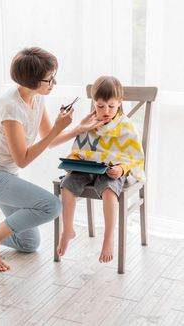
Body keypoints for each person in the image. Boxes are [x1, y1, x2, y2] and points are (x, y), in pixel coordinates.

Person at [0, 47, 102, 272]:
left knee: (28, 243)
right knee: (52, 205)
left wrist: (77, 128)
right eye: (49, 79)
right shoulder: (10, 107)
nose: (54, 83)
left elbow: (49, 140)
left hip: (5, 174)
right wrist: (56, 129)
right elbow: (23, 159)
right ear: (32, 81)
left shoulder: (36, 98)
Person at [57, 76, 145, 263]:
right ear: (94, 103)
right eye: (100, 106)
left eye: (111, 106)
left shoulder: (125, 126)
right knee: (67, 185)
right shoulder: (90, 122)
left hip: (111, 170)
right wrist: (73, 163)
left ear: (119, 104)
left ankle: (108, 238)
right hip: (87, 167)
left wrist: (121, 169)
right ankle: (67, 229)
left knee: (109, 190)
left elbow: (134, 157)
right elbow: (79, 148)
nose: (106, 111)